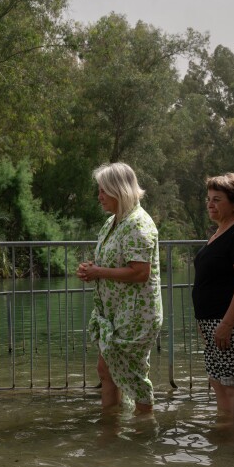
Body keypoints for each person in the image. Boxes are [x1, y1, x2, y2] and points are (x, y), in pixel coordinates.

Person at [76, 163, 163, 415]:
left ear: (119, 190)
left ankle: (140, 430)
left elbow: (140, 272)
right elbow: (114, 263)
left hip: (135, 316)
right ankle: (116, 426)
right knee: (109, 370)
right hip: (115, 313)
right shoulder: (113, 222)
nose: (99, 196)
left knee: (127, 374)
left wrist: (99, 272)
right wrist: (91, 269)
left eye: (104, 191)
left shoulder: (137, 224)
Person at [192, 173, 234, 420]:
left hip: (232, 322)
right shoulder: (221, 231)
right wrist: (205, 322)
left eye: (217, 199)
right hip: (214, 322)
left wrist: (226, 324)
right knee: (218, 382)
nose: (210, 204)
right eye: (208, 199)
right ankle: (226, 437)